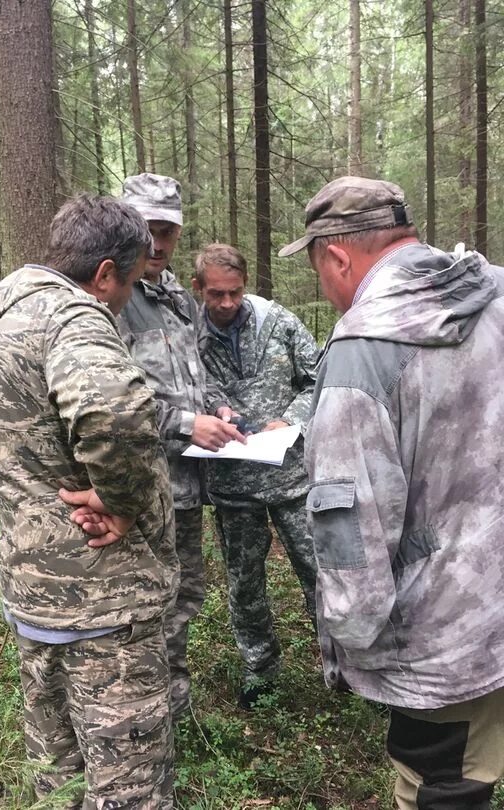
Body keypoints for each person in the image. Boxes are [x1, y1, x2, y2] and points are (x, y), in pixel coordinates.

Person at [0, 195, 179, 809]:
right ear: (105, 272)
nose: (126, 297)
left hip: (33, 588)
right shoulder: (72, 317)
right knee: (127, 784)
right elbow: (117, 413)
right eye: (128, 282)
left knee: (59, 775)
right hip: (104, 596)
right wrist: (122, 501)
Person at [279, 175, 504, 808]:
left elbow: (351, 529)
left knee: (440, 788)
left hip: (443, 638)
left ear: (337, 256)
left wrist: (349, 639)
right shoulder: (492, 295)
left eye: (322, 271)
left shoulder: (363, 350)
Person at [115, 173, 243, 720]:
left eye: (168, 230)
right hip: (139, 486)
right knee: (141, 602)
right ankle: (142, 713)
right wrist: (186, 423)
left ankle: (176, 707)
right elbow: (112, 399)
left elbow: (194, 378)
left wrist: (215, 408)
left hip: (187, 486)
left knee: (183, 596)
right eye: (149, 229)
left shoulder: (177, 301)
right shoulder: (108, 299)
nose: (159, 243)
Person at [192, 243, 320, 709]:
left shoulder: (278, 323)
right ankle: (260, 671)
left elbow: (317, 377)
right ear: (199, 289)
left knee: (320, 573)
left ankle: (344, 665)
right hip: (232, 485)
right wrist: (209, 408)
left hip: (293, 478)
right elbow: (181, 391)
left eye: (235, 293)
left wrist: (291, 418)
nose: (227, 303)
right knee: (245, 581)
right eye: (217, 295)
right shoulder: (187, 336)